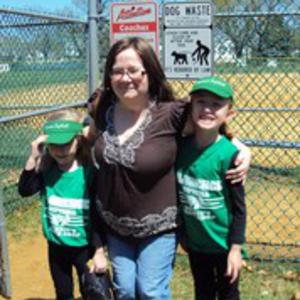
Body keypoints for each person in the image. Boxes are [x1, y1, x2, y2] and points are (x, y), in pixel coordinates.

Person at [87, 37, 250, 300]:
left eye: (133, 70)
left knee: (150, 291)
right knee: (125, 291)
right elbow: (90, 135)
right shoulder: (103, 107)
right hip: (115, 225)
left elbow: (209, 121)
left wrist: (242, 149)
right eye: (117, 71)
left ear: (149, 72)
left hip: (158, 226)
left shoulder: (172, 113)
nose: (125, 78)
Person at [18, 110, 107, 300]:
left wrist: (99, 251)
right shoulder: (46, 171)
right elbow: (25, 190)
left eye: (66, 143)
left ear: (78, 140)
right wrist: (34, 156)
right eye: (54, 145)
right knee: (63, 292)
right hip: (57, 247)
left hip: (85, 248)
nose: (61, 150)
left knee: (93, 293)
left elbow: (98, 215)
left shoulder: (89, 172)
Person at [176, 76, 247, 300]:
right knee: (203, 292)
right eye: (201, 102)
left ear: (229, 113)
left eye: (216, 104)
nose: (207, 109)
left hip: (224, 245)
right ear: (191, 107)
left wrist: (235, 249)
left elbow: (239, 209)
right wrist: (184, 236)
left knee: (228, 294)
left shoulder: (229, 155)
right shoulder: (179, 148)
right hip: (197, 245)